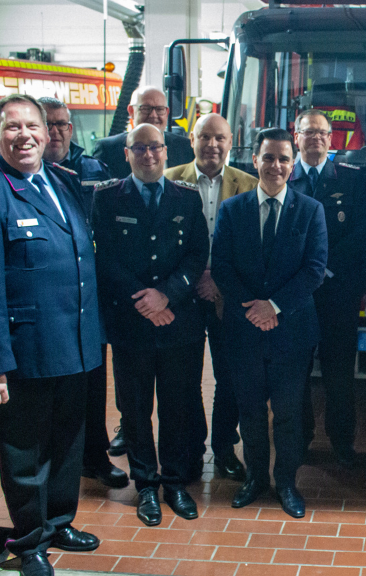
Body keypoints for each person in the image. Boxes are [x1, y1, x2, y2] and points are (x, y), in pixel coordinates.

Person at [0, 94, 102, 576]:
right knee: (24, 457)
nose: (25, 135)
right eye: (13, 127)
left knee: (67, 445)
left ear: (49, 131)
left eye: (33, 125)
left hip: (75, 346)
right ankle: (29, 541)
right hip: (23, 354)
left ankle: (58, 523)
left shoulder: (64, 182)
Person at [90, 124, 210, 526]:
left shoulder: (187, 198)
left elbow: (197, 255)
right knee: (137, 409)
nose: (148, 155)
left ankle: (174, 482)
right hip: (131, 324)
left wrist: (168, 295)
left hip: (180, 323)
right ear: (127, 154)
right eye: (138, 148)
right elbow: (104, 258)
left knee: (177, 405)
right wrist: (144, 300)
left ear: (166, 151)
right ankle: (146, 486)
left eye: (154, 147)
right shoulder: (107, 198)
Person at [211, 128, 327, 519]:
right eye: (268, 157)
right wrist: (253, 309)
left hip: (292, 331)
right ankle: (255, 478)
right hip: (244, 329)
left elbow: (314, 270)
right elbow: (222, 267)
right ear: (254, 161)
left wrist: (273, 307)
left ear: (291, 167)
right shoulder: (233, 209)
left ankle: (287, 483)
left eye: (282, 159)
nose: (275, 165)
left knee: (290, 412)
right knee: (251, 411)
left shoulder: (311, 210)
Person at [38, 96, 128, 490]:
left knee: (93, 383)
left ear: (71, 129)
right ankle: (55, 466)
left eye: (62, 124)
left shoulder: (93, 170)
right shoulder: (23, 174)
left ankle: (94, 457)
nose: (56, 132)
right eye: (49, 124)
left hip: (92, 296)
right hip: (49, 300)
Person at [164, 113, 258, 483]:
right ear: (192, 139)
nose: (212, 145)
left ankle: (222, 449)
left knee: (229, 379)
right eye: (204, 137)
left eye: (219, 138)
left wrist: (219, 283)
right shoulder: (171, 180)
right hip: (182, 299)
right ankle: (193, 447)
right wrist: (189, 283)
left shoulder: (248, 185)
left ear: (231, 141)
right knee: (184, 379)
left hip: (226, 297)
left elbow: (250, 250)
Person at [288, 110, 366, 468]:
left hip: (338, 293)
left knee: (339, 375)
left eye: (323, 133)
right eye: (309, 132)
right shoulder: (281, 176)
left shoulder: (352, 179)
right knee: (296, 372)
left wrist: (323, 268)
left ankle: (342, 443)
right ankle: (300, 440)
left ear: (332, 138)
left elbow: (362, 233)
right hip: (295, 295)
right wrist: (307, 273)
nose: (317, 138)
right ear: (296, 135)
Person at [93, 86, 195, 179]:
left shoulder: (186, 147)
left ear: (167, 113)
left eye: (160, 109)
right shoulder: (108, 149)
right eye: (146, 109)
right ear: (131, 111)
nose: (153, 115)